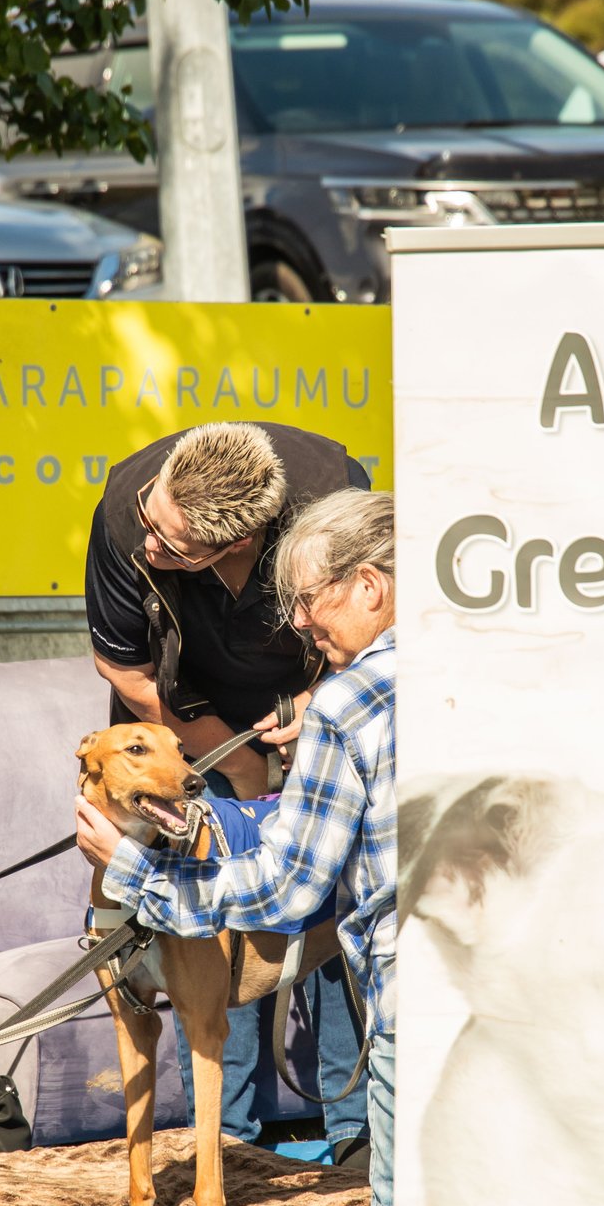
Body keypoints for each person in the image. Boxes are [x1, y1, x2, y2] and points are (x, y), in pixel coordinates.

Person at [75, 488, 399, 1206]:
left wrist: (132, 868)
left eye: (307, 603)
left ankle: (287, 1167)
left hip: (401, 999)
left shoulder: (346, 701)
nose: (299, 627)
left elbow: (287, 885)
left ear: (369, 586)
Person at [85, 421, 374, 1152]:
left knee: (329, 898)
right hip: (176, 723)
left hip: (311, 696)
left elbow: (378, 631)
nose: (150, 543)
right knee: (200, 907)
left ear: (238, 545)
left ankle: (354, 1138)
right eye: (156, 519)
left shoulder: (334, 496)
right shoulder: (130, 505)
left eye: (173, 548)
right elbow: (125, 667)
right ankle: (231, 1141)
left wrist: (328, 701)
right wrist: (228, 761)